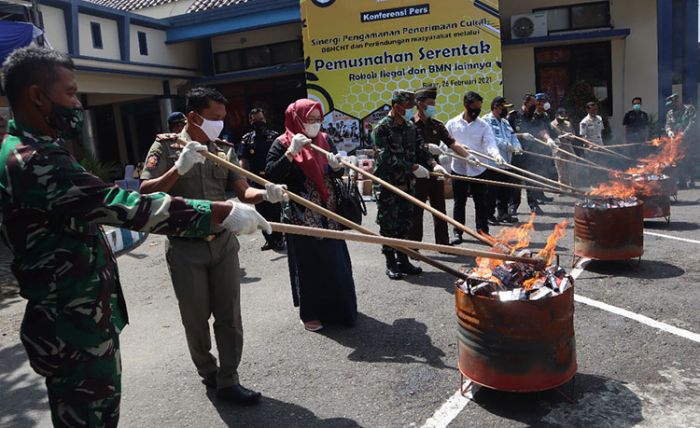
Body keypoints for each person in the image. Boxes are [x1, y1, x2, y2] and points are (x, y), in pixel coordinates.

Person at [0, 47, 273, 426]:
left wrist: (249, 200)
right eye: (71, 93)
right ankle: (209, 370)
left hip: (77, 316)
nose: (78, 104)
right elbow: (125, 204)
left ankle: (227, 377)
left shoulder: (40, 150)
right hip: (71, 325)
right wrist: (220, 212)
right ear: (37, 95)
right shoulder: (33, 160)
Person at [140, 87, 288, 405]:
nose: (221, 125)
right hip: (184, 247)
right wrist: (177, 169)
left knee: (229, 316)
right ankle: (207, 370)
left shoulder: (223, 150)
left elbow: (243, 192)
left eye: (223, 119)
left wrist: (266, 195)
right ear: (194, 117)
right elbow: (145, 192)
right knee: (194, 318)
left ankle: (228, 379)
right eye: (215, 118)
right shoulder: (165, 147)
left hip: (222, 243)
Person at [265, 99, 357, 331]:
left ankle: (341, 309)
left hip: (329, 211)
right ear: (296, 119)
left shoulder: (325, 140)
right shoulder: (281, 142)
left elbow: (338, 171)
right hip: (301, 213)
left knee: (336, 262)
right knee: (309, 267)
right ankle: (311, 314)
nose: (315, 124)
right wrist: (290, 153)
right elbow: (271, 174)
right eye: (310, 119)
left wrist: (337, 167)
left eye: (319, 119)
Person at [372, 90, 445, 279]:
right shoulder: (381, 129)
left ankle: (403, 260)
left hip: (408, 184)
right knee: (389, 224)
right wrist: (412, 167)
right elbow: (385, 157)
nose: (409, 111)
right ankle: (391, 262)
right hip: (388, 184)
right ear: (396, 106)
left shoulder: (410, 127)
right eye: (406, 107)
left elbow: (421, 148)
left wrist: (434, 165)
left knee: (406, 222)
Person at [409, 84, 469, 245]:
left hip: (437, 172)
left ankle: (443, 243)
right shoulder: (410, 125)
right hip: (417, 173)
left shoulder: (436, 125)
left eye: (434, 103)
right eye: (431, 103)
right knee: (416, 211)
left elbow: (452, 142)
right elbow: (409, 147)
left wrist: (468, 156)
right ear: (420, 103)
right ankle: (415, 247)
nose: (433, 107)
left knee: (439, 208)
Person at [446, 91, 503, 242]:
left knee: (481, 202)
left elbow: (490, 143)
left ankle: (483, 231)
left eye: (479, 108)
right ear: (466, 105)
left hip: (478, 169)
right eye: (474, 108)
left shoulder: (483, 126)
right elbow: (444, 146)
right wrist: (458, 149)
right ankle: (458, 231)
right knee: (459, 202)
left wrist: (496, 155)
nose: (476, 112)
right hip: (458, 168)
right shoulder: (452, 124)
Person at [238, 108, 285, 251]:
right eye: (256, 120)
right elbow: (243, 160)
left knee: (274, 211)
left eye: (261, 119)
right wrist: (243, 178)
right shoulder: (247, 139)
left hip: (272, 179)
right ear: (251, 121)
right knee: (261, 212)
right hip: (256, 181)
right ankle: (269, 240)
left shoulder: (274, 136)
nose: (259, 122)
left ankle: (278, 239)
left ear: (265, 119)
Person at [508, 93, 555, 215]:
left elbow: (542, 130)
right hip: (517, 153)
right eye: (532, 103)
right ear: (525, 102)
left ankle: (533, 205)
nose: (535, 105)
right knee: (516, 181)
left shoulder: (535, 117)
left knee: (531, 180)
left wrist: (548, 139)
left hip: (531, 154)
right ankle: (513, 205)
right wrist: (521, 135)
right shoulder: (514, 117)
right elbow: (508, 135)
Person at [483, 96, 522, 224]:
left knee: (505, 190)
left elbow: (512, 136)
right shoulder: (486, 121)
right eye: (503, 108)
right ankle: (488, 215)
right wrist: (507, 146)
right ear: (495, 107)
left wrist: (517, 146)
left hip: (506, 161)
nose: (505, 111)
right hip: (493, 162)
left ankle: (503, 213)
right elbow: (492, 138)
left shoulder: (505, 122)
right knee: (491, 191)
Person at [665, 93, 697, 188]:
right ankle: (681, 181)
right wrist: (669, 131)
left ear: (677, 101)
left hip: (689, 140)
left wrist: (684, 133)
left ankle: (691, 180)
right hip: (676, 141)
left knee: (689, 160)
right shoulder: (670, 113)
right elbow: (668, 124)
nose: (671, 106)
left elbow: (693, 122)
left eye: (673, 103)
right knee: (678, 161)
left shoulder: (689, 109)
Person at [550, 107, 579, 187]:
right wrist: (562, 136)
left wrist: (570, 136)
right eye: (561, 117)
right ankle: (563, 189)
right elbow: (552, 138)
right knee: (561, 170)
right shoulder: (552, 125)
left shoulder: (568, 124)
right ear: (556, 115)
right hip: (558, 149)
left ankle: (574, 188)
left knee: (573, 168)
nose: (562, 120)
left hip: (569, 148)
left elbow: (574, 136)